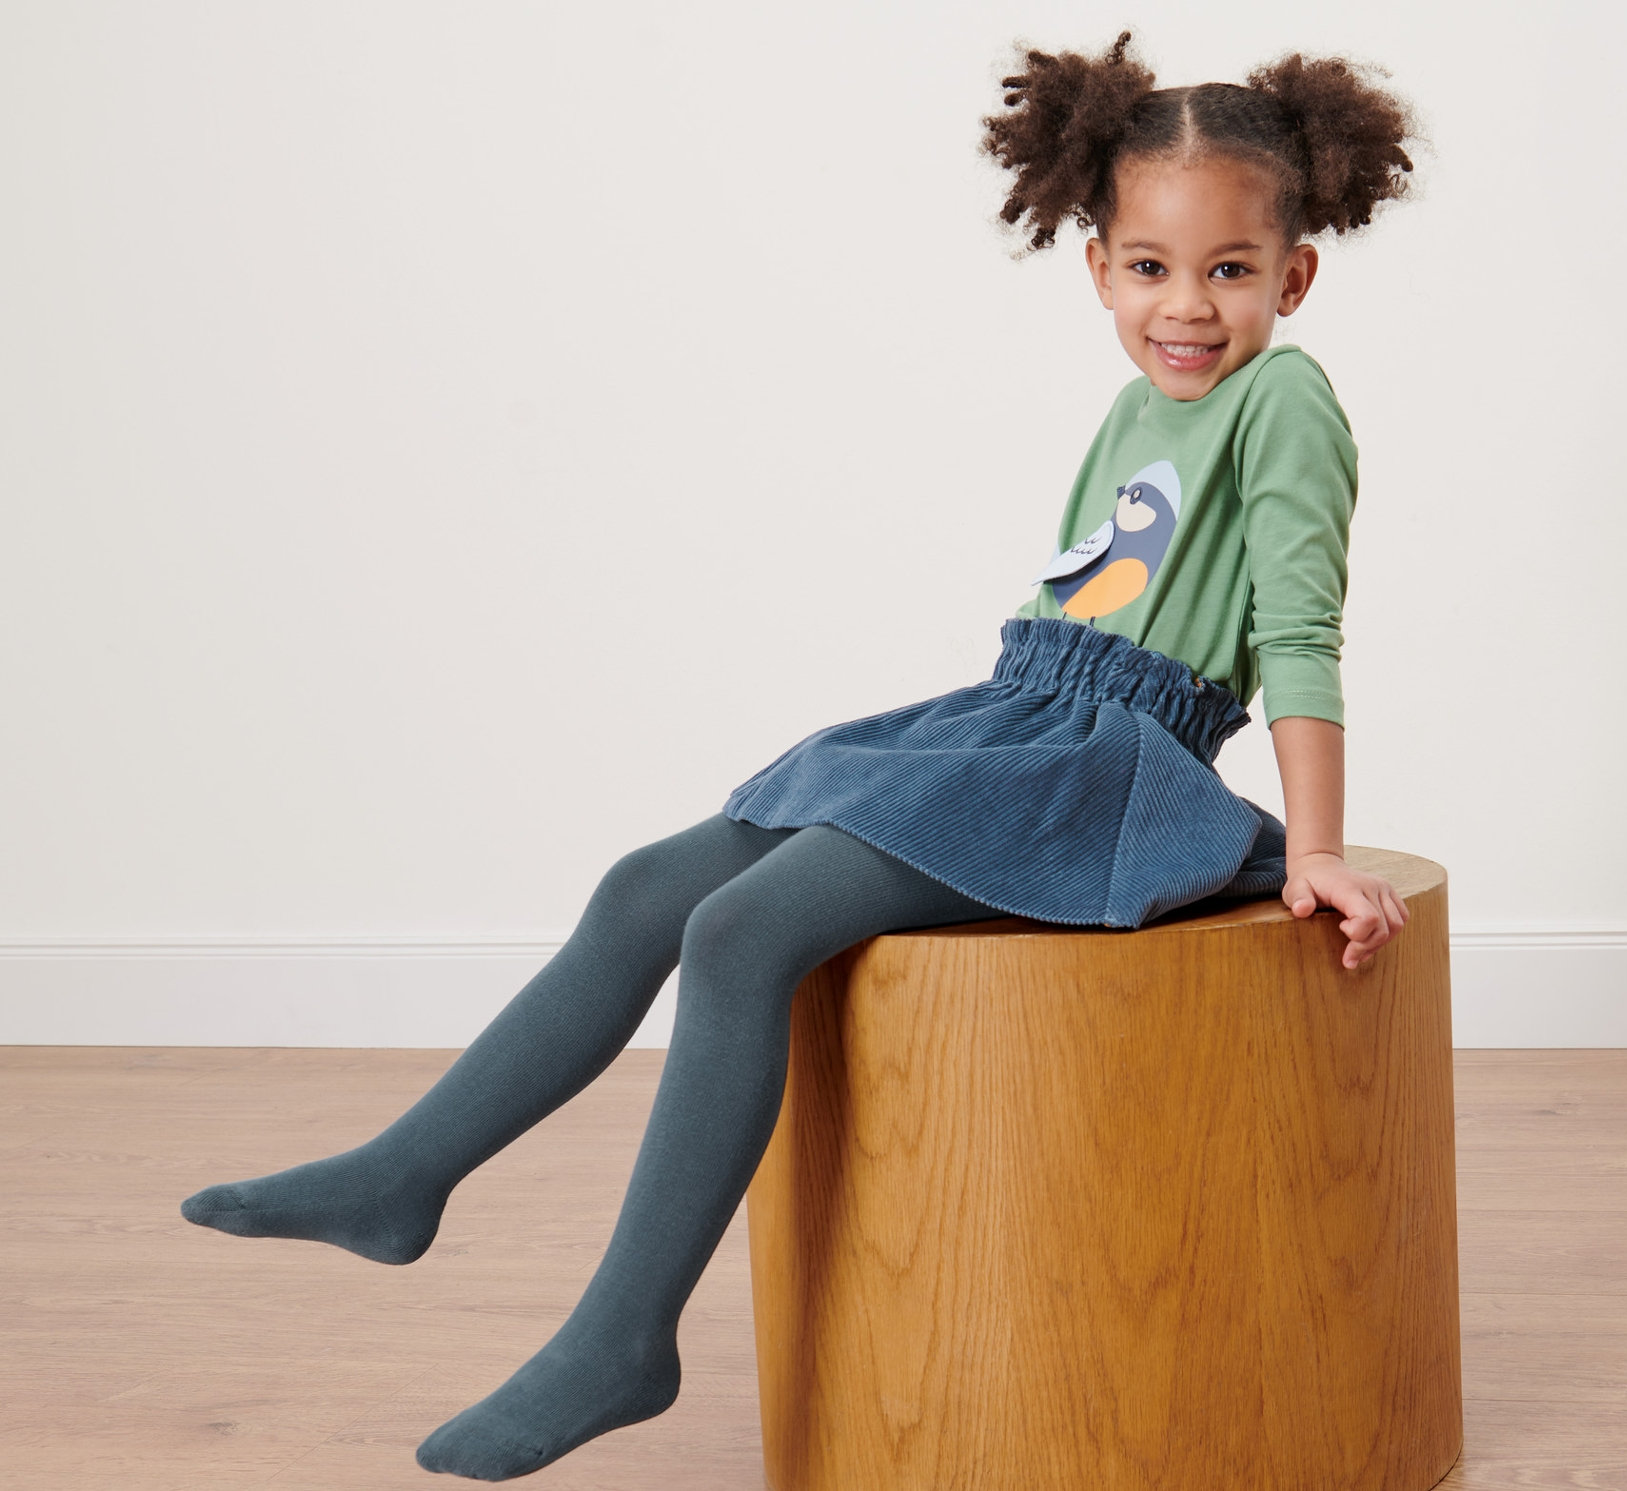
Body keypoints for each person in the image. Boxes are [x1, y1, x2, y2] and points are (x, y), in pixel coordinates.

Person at [179, 31, 1418, 1481]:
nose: (1185, 305)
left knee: (745, 929)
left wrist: (1318, 844)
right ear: (1095, 268)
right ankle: (404, 1175)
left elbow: (1300, 632)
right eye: (1148, 267)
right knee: (651, 884)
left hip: (1104, 765)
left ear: (1292, 274)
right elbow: (1078, 601)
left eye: (1226, 268)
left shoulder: (1286, 400)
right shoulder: (1138, 404)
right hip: (1013, 713)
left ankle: (622, 1339)